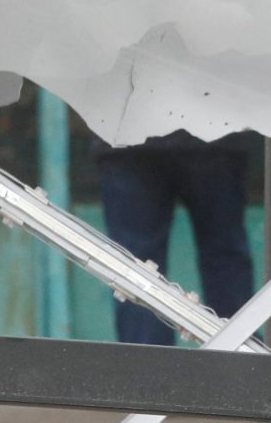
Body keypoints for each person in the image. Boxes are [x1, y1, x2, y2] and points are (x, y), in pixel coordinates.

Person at [94, 132, 257, 344]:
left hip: (129, 135)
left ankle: (148, 371)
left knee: (135, 270)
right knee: (224, 258)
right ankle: (240, 363)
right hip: (213, 127)